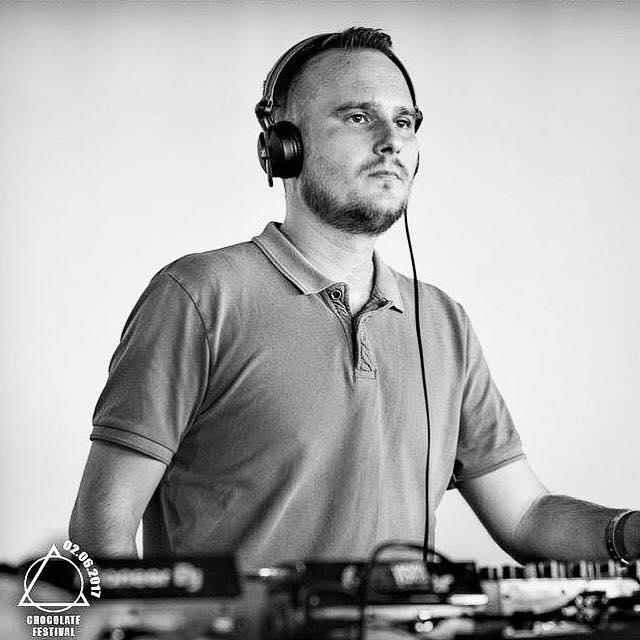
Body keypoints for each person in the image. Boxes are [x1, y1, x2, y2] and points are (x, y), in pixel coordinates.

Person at [69, 27, 639, 571]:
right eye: (359, 117)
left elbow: (524, 515)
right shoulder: (197, 298)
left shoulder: (443, 322)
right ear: (284, 147)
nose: (391, 142)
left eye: (404, 122)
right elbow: (100, 537)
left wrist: (629, 533)